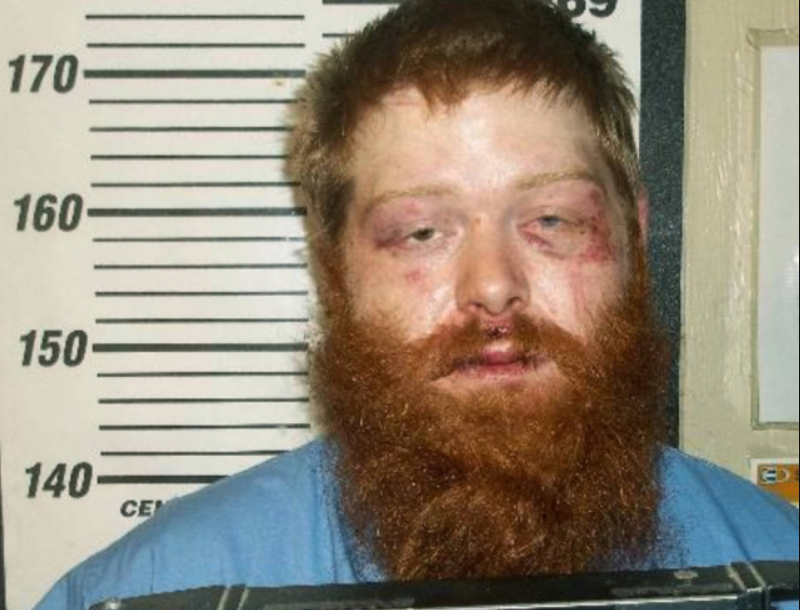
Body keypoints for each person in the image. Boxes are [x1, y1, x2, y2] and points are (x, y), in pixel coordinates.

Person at [33, 0, 798, 609]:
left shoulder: (778, 571)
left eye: (553, 220)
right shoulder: (147, 595)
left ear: (634, 238)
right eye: (422, 232)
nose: (492, 285)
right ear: (333, 272)